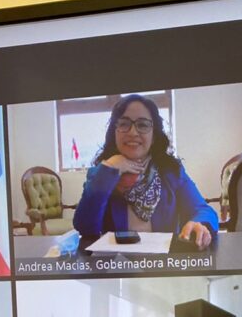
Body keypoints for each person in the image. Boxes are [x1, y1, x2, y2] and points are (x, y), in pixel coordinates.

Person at [72, 95, 219, 249]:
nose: (133, 132)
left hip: (164, 262)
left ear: (154, 135)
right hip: (115, 261)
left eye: (142, 125)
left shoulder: (170, 171)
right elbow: (85, 227)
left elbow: (203, 210)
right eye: (124, 124)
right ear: (114, 132)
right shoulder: (101, 174)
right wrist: (110, 168)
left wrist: (200, 224)